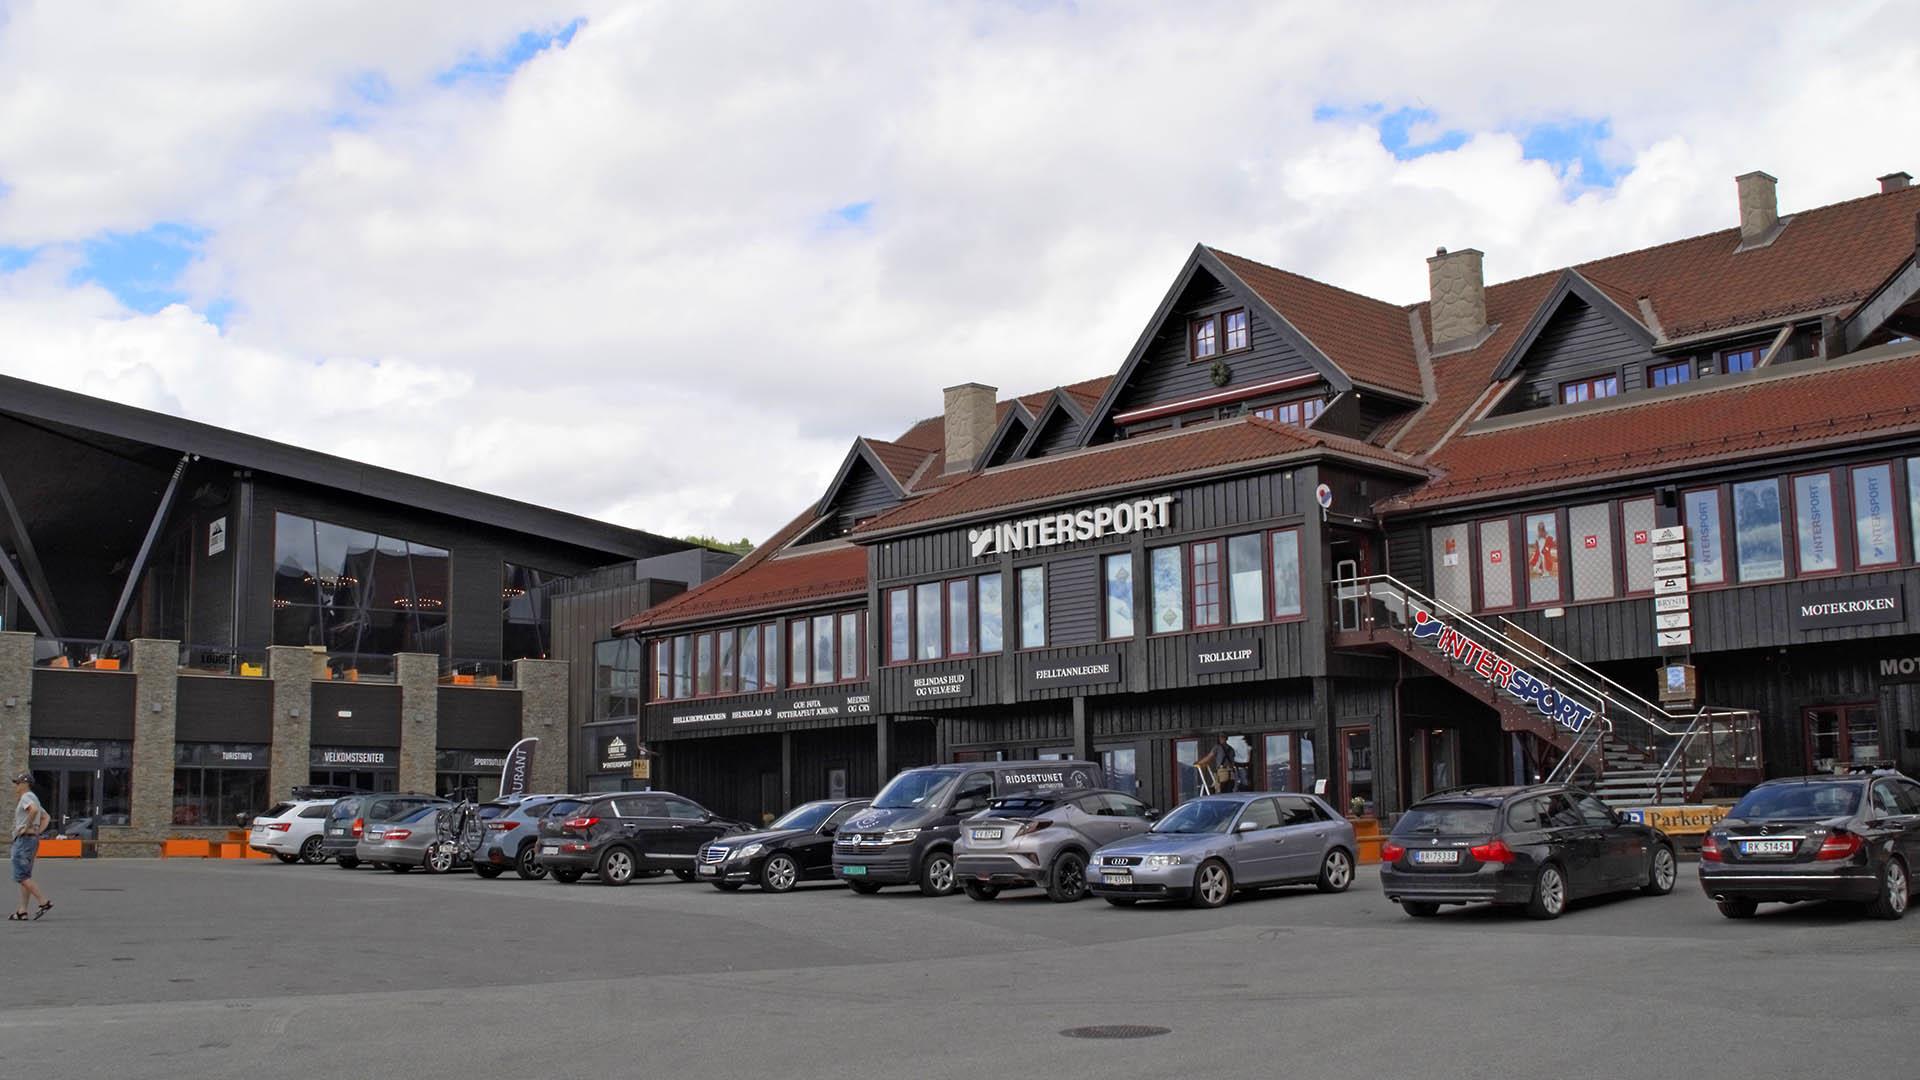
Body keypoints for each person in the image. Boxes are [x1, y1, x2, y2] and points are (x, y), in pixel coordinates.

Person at [12, 771, 52, 921]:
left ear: (25, 784)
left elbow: (34, 811)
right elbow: (46, 816)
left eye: (17, 782)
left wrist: (25, 827)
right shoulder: (34, 798)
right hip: (31, 840)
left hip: (23, 841)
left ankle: (44, 902)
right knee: (25, 876)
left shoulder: (26, 797)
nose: (16, 785)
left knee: (21, 875)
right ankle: (23, 910)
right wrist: (37, 832)